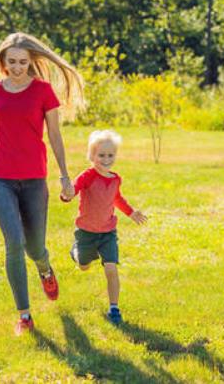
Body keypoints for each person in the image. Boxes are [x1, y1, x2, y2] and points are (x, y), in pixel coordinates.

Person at [0, 32, 82, 335]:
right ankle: (24, 315)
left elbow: (55, 136)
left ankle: (45, 268)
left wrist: (64, 175)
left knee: (35, 247)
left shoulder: (43, 92)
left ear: (30, 62)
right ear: (2, 62)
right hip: (0, 178)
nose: (18, 67)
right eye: (12, 62)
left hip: (35, 178)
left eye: (23, 62)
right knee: (14, 243)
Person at [62, 130, 147, 325]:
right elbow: (74, 188)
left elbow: (116, 198)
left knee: (111, 267)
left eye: (110, 155)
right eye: (101, 155)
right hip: (86, 232)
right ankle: (75, 251)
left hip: (108, 232)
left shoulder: (115, 179)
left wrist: (131, 212)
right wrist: (67, 194)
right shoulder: (88, 175)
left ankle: (114, 308)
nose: (106, 159)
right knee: (83, 266)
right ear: (92, 156)